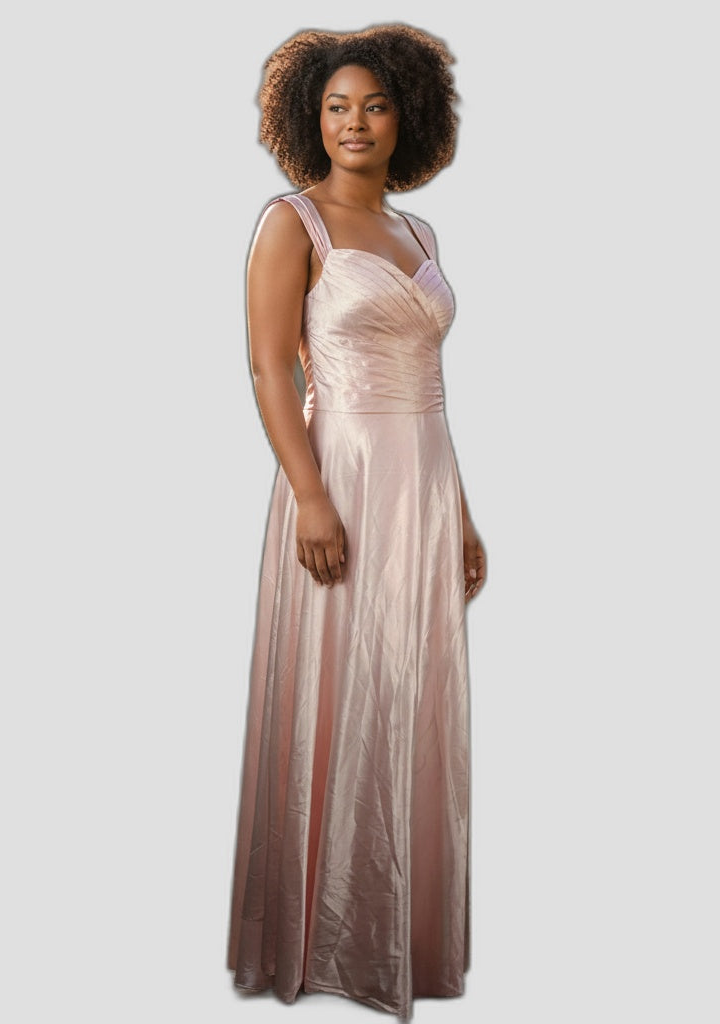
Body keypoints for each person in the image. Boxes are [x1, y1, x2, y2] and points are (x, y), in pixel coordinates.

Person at [227, 24, 486, 1021]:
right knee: (339, 681)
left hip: (422, 483)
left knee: (407, 691)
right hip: (338, 473)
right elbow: (269, 366)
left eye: (374, 104)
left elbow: (432, 387)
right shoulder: (291, 222)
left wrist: (462, 514)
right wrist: (307, 493)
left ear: (405, 116)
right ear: (311, 118)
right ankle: (317, 935)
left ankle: (394, 932)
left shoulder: (420, 236)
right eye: (336, 105)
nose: (354, 122)